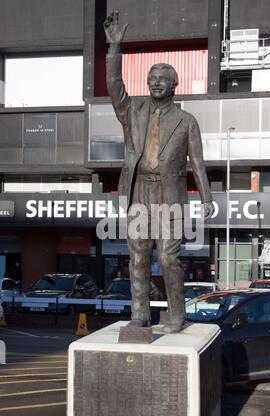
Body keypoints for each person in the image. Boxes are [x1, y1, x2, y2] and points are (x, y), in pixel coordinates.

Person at [104, 10, 214, 333]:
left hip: (170, 196)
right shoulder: (133, 111)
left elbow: (198, 162)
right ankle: (140, 316)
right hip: (139, 190)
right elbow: (114, 86)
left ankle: (177, 316)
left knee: (167, 257)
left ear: (174, 85)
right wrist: (114, 50)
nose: (154, 83)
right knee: (138, 255)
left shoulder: (187, 122)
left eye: (161, 79)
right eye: (151, 78)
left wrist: (206, 197)